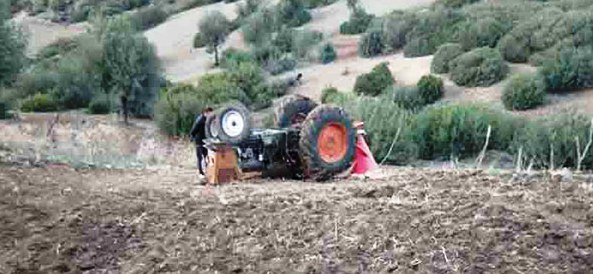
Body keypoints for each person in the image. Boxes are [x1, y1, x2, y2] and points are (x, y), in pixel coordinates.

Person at [190, 107, 214, 175]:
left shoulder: (208, 120)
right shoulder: (200, 120)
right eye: (209, 113)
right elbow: (194, 130)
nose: (210, 115)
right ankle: (201, 172)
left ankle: (208, 170)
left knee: (207, 156)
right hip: (199, 140)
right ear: (205, 113)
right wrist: (192, 137)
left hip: (205, 140)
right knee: (200, 157)